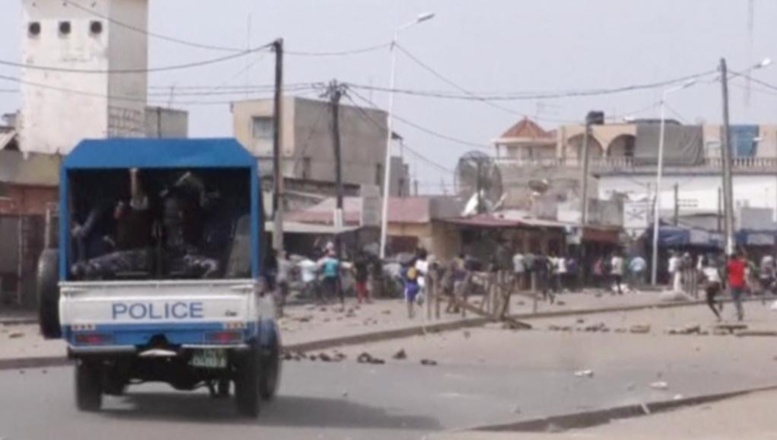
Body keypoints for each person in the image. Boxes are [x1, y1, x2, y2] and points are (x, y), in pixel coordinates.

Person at [72, 168, 153, 280]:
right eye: (117, 206)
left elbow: (137, 198)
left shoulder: (137, 215)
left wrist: (133, 173)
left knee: (89, 267)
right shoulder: (117, 227)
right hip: (125, 258)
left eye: (120, 205)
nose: (117, 208)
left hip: (137, 257)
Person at [701, 255, 724, 321]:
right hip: (717, 284)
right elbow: (721, 278)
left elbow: (699, 279)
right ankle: (719, 302)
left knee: (709, 302)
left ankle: (718, 316)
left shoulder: (703, 270)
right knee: (713, 298)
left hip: (710, 285)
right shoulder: (715, 269)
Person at [727, 251, 747, 321]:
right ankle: (740, 310)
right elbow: (746, 263)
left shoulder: (730, 264)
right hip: (741, 283)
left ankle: (739, 312)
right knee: (739, 299)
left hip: (733, 283)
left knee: (735, 299)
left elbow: (727, 272)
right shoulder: (741, 263)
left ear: (731, 258)